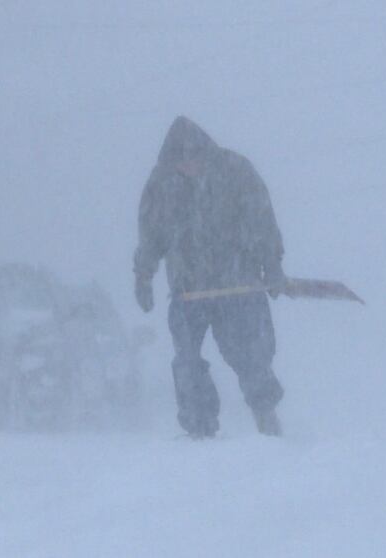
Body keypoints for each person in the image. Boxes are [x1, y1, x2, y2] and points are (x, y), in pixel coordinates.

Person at [133, 116, 286, 438]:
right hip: (189, 291)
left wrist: (271, 265)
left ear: (206, 153)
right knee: (187, 362)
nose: (189, 166)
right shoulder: (161, 184)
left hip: (239, 285)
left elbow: (262, 220)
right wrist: (144, 275)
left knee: (252, 356)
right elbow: (151, 233)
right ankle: (199, 430)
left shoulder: (236, 170)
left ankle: (266, 418)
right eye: (181, 161)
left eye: (195, 158)